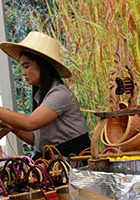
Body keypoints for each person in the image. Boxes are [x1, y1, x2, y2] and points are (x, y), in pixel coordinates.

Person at [0, 31, 90, 159]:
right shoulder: (42, 96)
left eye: (26, 66)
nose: (23, 73)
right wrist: (12, 127)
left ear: (42, 65)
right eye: (22, 67)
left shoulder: (60, 94)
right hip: (54, 164)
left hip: (73, 165)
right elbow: (36, 139)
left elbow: (30, 123)